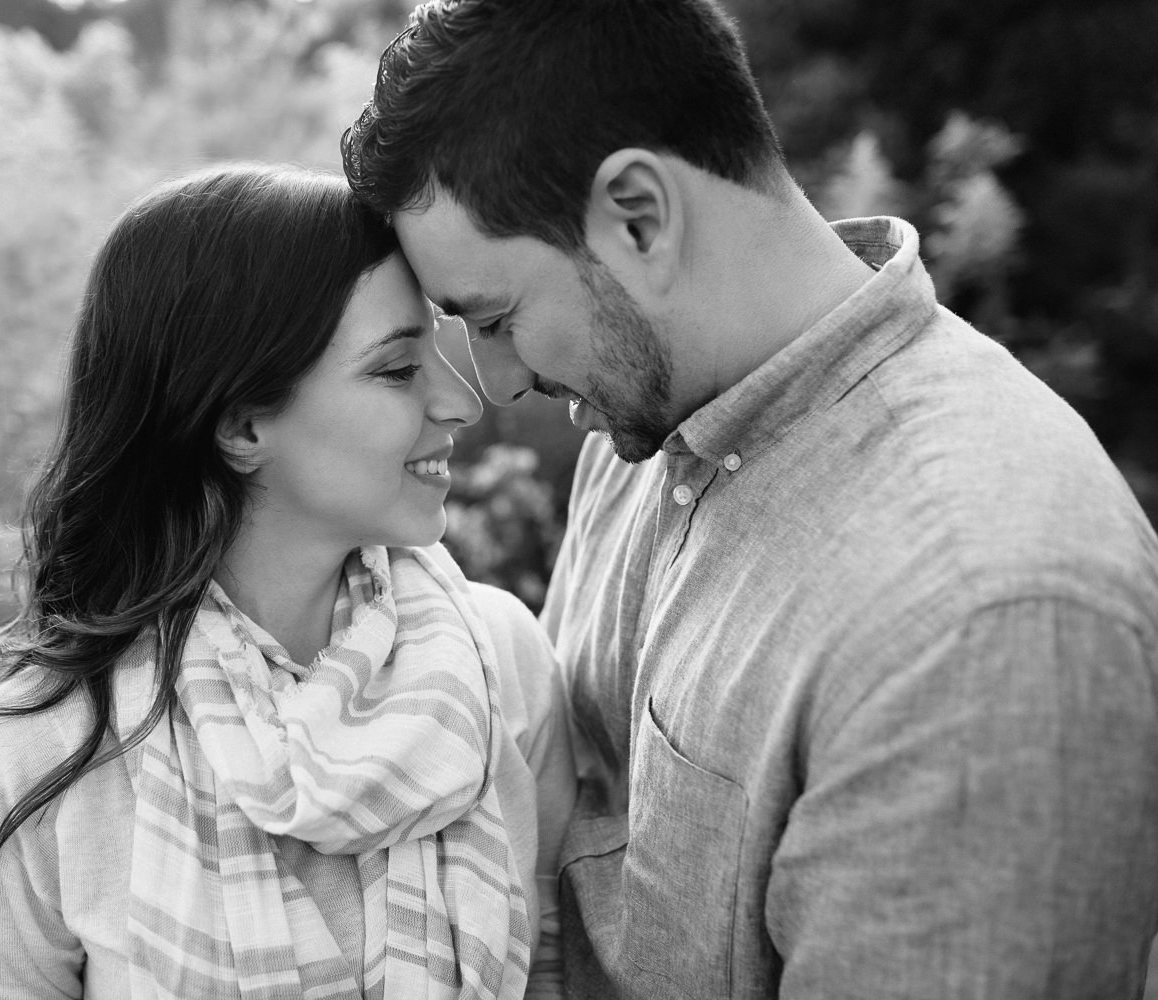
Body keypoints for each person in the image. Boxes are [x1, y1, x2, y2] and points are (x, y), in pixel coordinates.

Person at [340, 0, 1158, 996]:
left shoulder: (983, 616)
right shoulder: (647, 407)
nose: (497, 382)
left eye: (498, 318)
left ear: (638, 215)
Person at [0, 164, 575, 1000]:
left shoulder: (500, 660)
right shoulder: (38, 747)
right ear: (240, 424)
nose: (461, 402)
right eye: (399, 369)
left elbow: (555, 965)